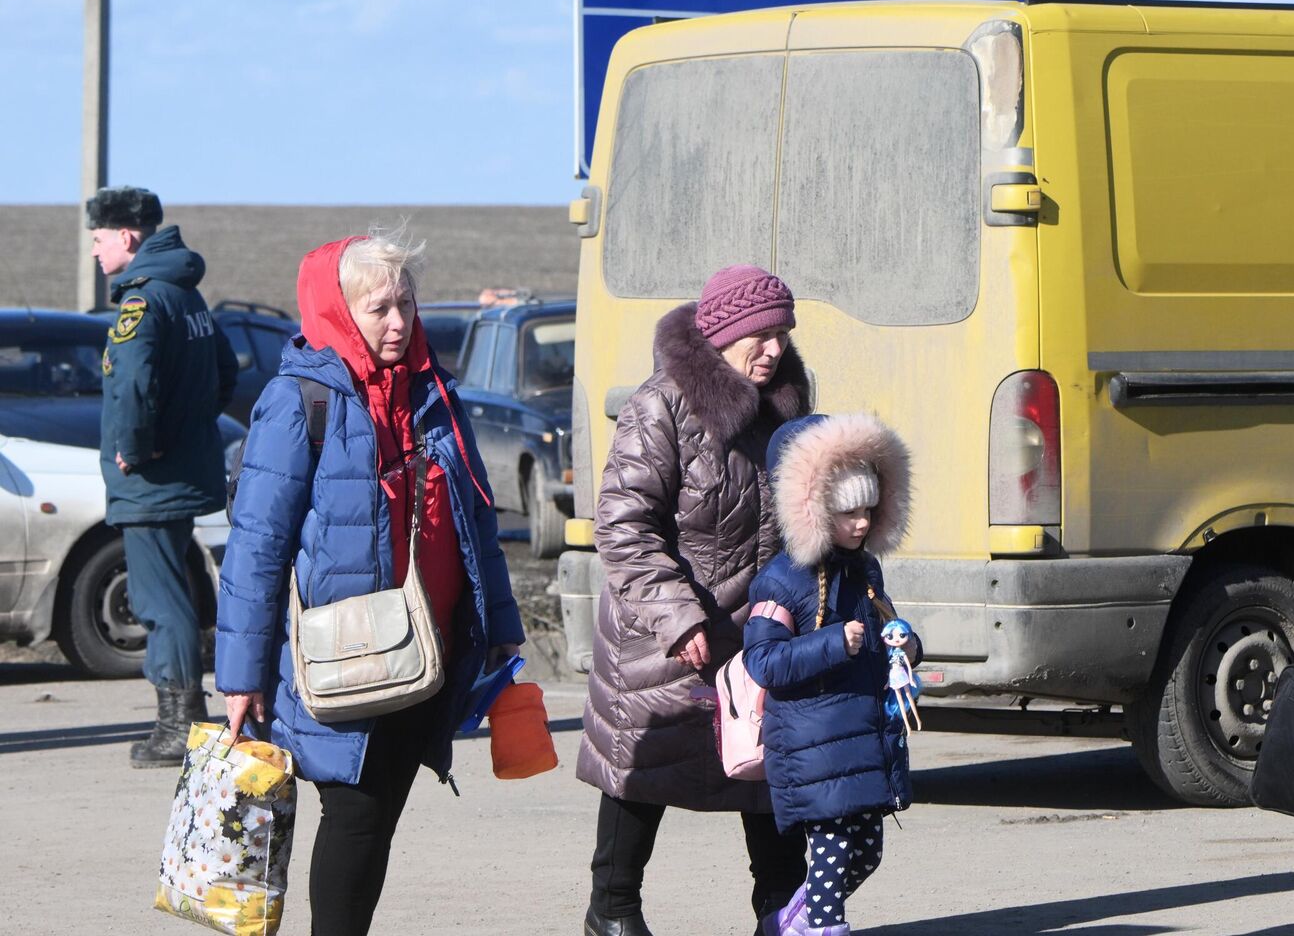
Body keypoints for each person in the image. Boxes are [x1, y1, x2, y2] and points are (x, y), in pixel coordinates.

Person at [216, 234, 524, 936]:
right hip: (340, 658)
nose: (398, 322)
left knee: (377, 817)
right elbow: (257, 546)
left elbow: (478, 520)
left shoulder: (436, 396)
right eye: (379, 307)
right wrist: (240, 675)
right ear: (337, 310)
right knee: (354, 815)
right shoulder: (299, 402)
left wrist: (502, 628)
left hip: (425, 655)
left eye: (406, 304)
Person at [579, 264, 813, 936]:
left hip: (762, 633)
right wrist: (678, 617)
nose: (774, 349)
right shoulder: (662, 405)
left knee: (770, 775)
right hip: (665, 633)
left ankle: (783, 911)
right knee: (642, 767)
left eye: (782, 335)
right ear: (721, 334)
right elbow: (622, 524)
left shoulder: (789, 404)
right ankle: (613, 910)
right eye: (759, 336)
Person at [745, 413, 917, 936]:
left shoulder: (864, 570)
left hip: (861, 741)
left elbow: (884, 630)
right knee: (834, 853)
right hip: (812, 746)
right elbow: (764, 661)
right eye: (847, 512)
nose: (861, 523)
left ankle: (786, 923)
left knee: (866, 853)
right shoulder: (780, 581)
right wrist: (831, 642)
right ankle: (819, 927)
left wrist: (908, 646)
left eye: (868, 509)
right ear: (813, 508)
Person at [89, 186, 238, 769]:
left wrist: (137, 446)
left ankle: (181, 724)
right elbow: (224, 372)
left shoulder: (143, 303)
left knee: (159, 600)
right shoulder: (187, 295)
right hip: (183, 469)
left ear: (126, 236)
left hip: (151, 480)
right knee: (175, 589)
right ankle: (186, 717)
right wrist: (189, 428)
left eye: (99, 239)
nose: (96, 252)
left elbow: (131, 383)